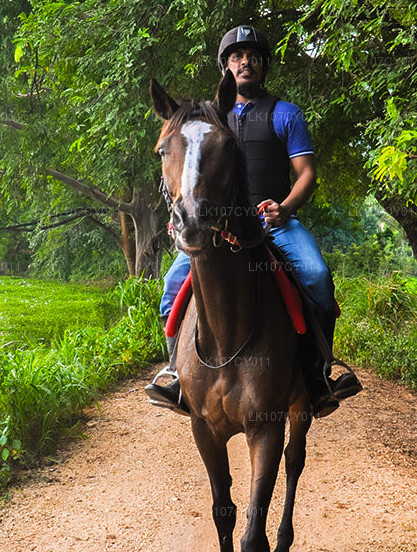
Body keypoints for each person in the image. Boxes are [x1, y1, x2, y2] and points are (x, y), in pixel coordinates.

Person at [145, 24, 362, 417]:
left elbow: (307, 173)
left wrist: (286, 207)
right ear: (225, 67)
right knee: (172, 286)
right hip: (218, 227)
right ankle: (177, 375)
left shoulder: (285, 114)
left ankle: (318, 376)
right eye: (236, 56)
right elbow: (185, 169)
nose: (245, 62)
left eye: (253, 57)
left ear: (264, 66)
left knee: (316, 277)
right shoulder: (209, 118)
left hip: (276, 223)